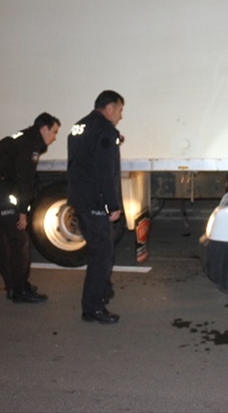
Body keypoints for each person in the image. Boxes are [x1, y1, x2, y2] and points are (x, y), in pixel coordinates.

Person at [0, 112, 61, 303]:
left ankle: (14, 285)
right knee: (18, 240)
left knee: (1, 242)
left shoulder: (23, 138)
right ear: (43, 128)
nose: (55, 137)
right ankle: (19, 288)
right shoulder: (30, 144)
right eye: (54, 132)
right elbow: (25, 180)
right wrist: (23, 211)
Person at [67, 90, 125, 324]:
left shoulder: (78, 127)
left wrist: (115, 140)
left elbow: (85, 158)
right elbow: (104, 171)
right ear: (109, 108)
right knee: (102, 253)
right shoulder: (105, 131)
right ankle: (93, 307)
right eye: (120, 110)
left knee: (97, 250)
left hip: (79, 198)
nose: (120, 116)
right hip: (95, 201)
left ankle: (101, 292)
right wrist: (113, 205)